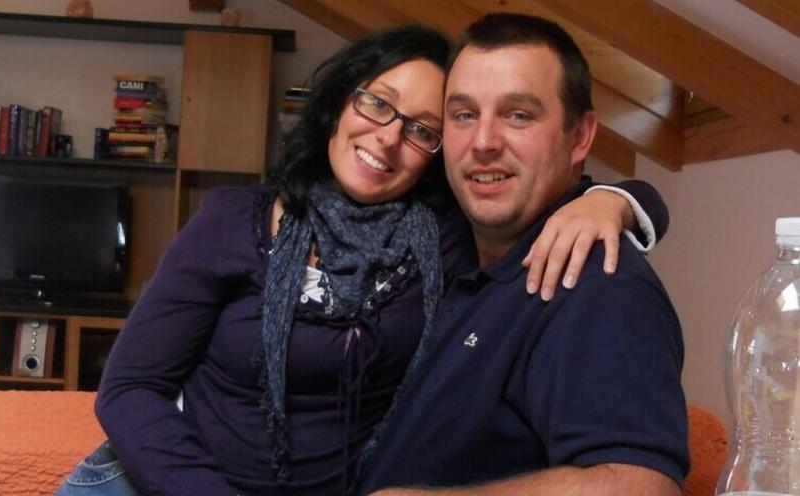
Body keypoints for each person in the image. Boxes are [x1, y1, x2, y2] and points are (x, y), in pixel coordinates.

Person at [55, 25, 667, 496]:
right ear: (340, 102)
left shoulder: (445, 242)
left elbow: (527, 196)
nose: (388, 136)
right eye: (377, 103)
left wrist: (616, 201)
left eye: (423, 128)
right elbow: (129, 388)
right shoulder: (232, 220)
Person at [358, 14, 688, 496]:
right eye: (464, 115)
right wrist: (621, 199)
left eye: (518, 115)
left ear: (580, 137)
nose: (483, 143)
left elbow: (641, 486)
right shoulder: (449, 244)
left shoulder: (595, 283)